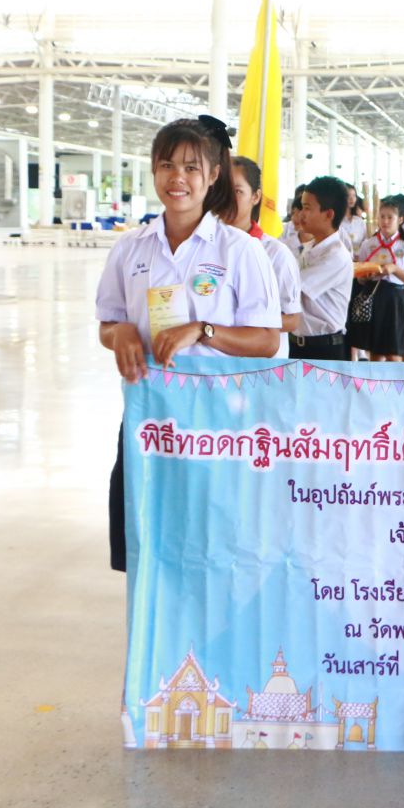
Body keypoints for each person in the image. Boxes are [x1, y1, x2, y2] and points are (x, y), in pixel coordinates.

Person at [96, 115, 281, 573]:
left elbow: (266, 340)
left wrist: (203, 329)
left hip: (218, 425)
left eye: (191, 167)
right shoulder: (130, 248)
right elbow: (108, 323)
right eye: (167, 165)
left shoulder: (239, 251)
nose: (177, 178)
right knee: (144, 546)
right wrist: (119, 333)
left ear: (213, 175)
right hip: (148, 420)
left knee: (213, 546)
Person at [229, 156, 303, 357]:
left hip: (261, 364)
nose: (226, 198)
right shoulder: (204, 248)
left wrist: (234, 326)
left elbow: (292, 319)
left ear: (255, 196)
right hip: (216, 362)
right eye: (220, 190)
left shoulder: (275, 253)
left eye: (237, 191)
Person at [290, 175, 354, 361]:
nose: (301, 214)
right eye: (301, 208)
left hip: (324, 349)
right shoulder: (309, 248)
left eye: (307, 208)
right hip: (298, 344)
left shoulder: (335, 256)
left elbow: (293, 288)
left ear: (329, 214)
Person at [349, 195, 404, 362]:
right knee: (376, 353)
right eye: (382, 217)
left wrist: (394, 269)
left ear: (400, 219)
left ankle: (398, 379)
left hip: (396, 299)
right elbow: (360, 279)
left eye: (390, 217)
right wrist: (366, 276)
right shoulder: (368, 244)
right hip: (373, 296)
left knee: (394, 354)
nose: (385, 221)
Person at [339, 184, 369, 253]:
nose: (352, 199)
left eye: (354, 195)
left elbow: (365, 241)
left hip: (359, 257)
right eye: (348, 195)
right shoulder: (337, 220)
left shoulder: (359, 221)